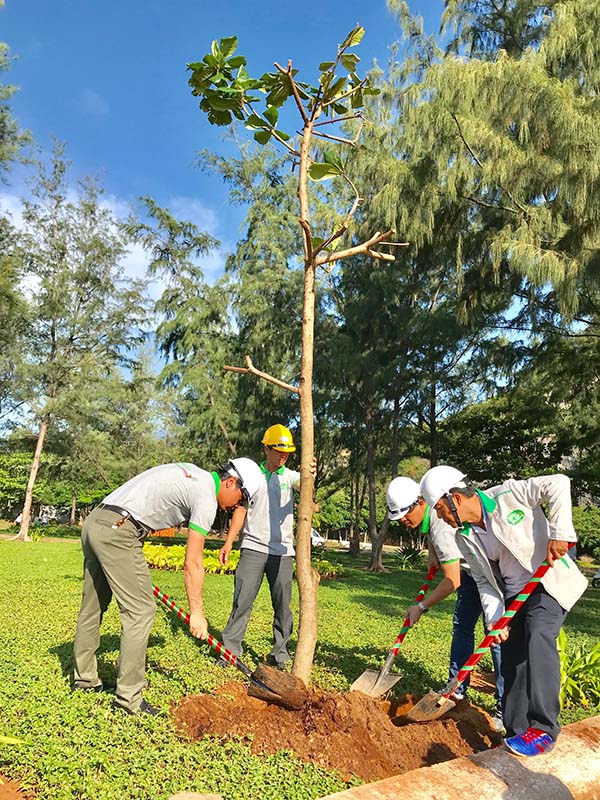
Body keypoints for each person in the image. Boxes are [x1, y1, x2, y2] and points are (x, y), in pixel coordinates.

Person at [72, 458, 263, 716]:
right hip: (120, 530)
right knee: (141, 611)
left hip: (97, 521)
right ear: (231, 482)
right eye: (240, 500)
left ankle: (84, 680)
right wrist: (197, 613)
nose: (235, 507)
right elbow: (193, 562)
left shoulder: (193, 473)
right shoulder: (206, 496)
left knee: (92, 606)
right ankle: (129, 698)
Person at [420, 465, 588, 757]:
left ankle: (544, 729)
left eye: (440, 510)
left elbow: (558, 482)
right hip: (513, 596)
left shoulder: (510, 494)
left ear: (455, 500)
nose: (440, 518)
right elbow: (486, 581)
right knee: (511, 659)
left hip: (546, 582)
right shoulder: (465, 537)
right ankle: (516, 730)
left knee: (538, 637)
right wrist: (496, 619)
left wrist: (560, 531)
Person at [386, 476, 504, 730]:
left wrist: (421, 607)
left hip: (487, 575)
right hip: (471, 571)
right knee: (462, 627)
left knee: (494, 634)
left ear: (420, 503)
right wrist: (433, 554)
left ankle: (505, 706)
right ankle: (457, 688)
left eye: (406, 517)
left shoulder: (439, 524)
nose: (405, 523)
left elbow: (452, 581)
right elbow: (433, 533)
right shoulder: (433, 517)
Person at [218, 424, 314, 669]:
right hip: (252, 547)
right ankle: (230, 652)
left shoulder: (290, 477)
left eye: (287, 452)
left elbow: (304, 487)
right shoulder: (253, 477)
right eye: (278, 450)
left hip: (282, 552)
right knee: (242, 600)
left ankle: (280, 654)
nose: (283, 455)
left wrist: (308, 473)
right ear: (266, 448)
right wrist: (229, 541)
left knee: (282, 606)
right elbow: (240, 510)